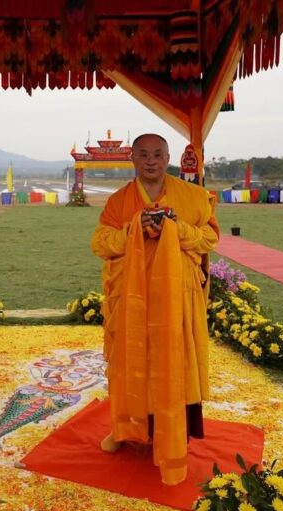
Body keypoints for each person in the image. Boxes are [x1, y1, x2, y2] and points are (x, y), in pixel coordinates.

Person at [90, 133, 219, 486]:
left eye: (158, 154)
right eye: (144, 155)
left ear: (168, 158)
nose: (151, 161)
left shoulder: (193, 197)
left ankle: (174, 435)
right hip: (132, 298)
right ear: (132, 159)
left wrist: (175, 229)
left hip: (176, 297)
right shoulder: (119, 202)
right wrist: (135, 228)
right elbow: (100, 243)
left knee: (173, 363)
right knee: (128, 361)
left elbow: (210, 239)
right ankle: (124, 429)